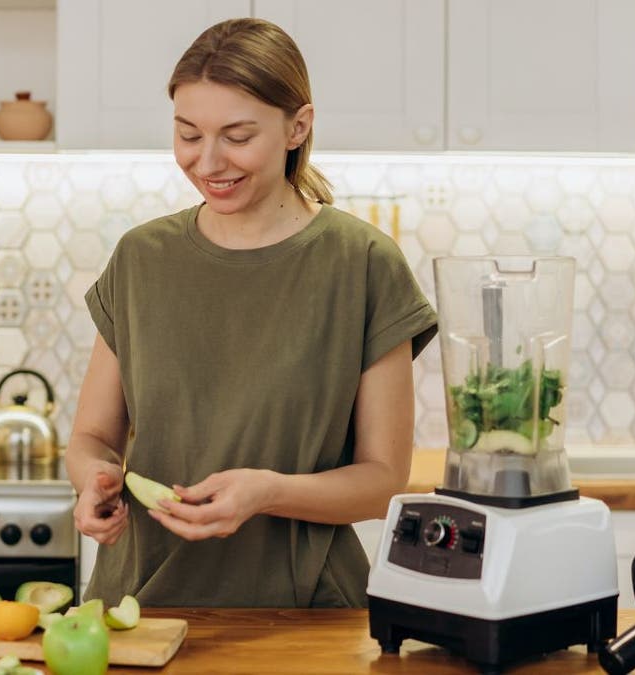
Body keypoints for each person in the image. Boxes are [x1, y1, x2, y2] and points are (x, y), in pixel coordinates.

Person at [65, 18, 438, 608]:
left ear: (298, 127)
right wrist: (95, 480)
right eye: (188, 134)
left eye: (237, 136)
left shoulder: (363, 263)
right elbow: (91, 436)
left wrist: (266, 493)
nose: (208, 161)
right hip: (138, 608)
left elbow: (382, 481)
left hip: (304, 617)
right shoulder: (141, 258)